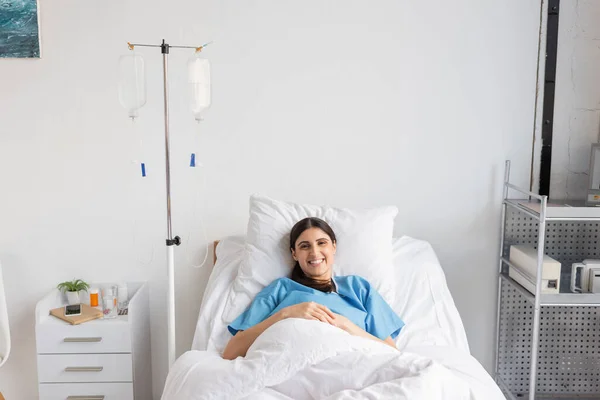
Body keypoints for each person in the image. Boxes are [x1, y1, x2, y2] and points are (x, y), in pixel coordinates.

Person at [222, 217, 404, 360]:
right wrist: (286, 314)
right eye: (305, 246)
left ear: (333, 246)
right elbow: (231, 351)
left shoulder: (358, 288)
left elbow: (392, 353)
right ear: (294, 253)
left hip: (351, 364)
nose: (314, 252)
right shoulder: (280, 290)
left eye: (321, 243)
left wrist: (345, 325)